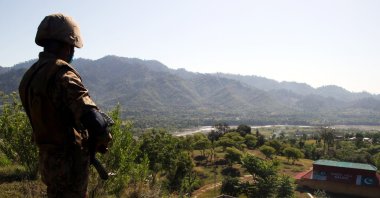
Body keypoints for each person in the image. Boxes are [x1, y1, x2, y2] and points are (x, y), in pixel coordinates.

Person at [19, 13, 111, 198]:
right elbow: (95, 122)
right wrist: (102, 136)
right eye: (72, 47)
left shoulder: (30, 76)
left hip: (49, 163)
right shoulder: (63, 75)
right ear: (67, 45)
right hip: (70, 167)